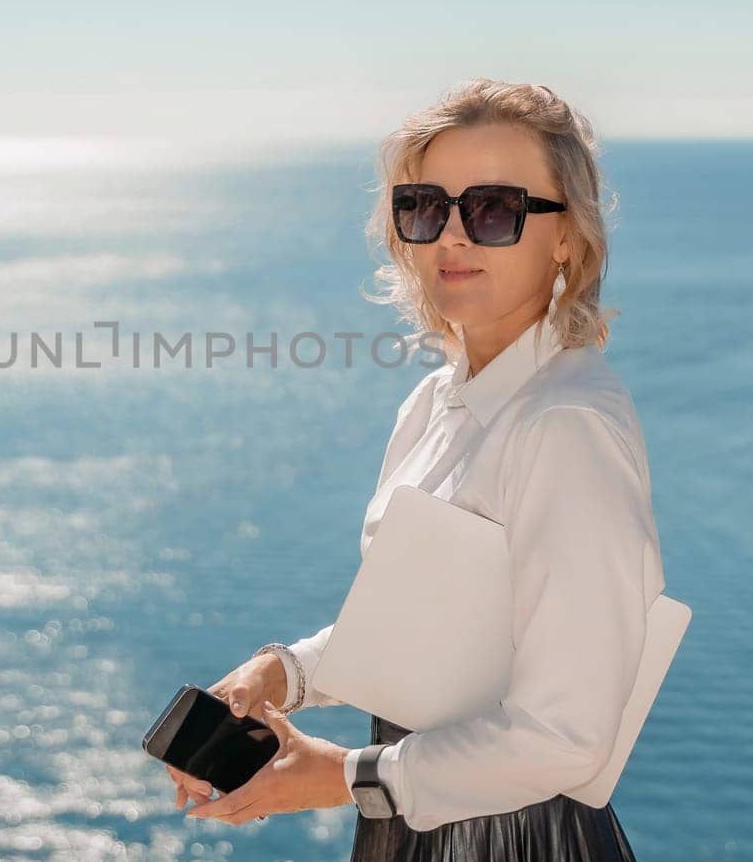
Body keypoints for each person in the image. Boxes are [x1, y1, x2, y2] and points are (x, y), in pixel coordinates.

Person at [163, 78, 665, 861]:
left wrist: (344, 777)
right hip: (417, 827)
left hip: (517, 840)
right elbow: (424, 629)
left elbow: (568, 737)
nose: (451, 237)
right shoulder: (434, 403)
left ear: (568, 234)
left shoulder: (567, 426)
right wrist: (283, 673)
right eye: (426, 207)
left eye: (494, 209)